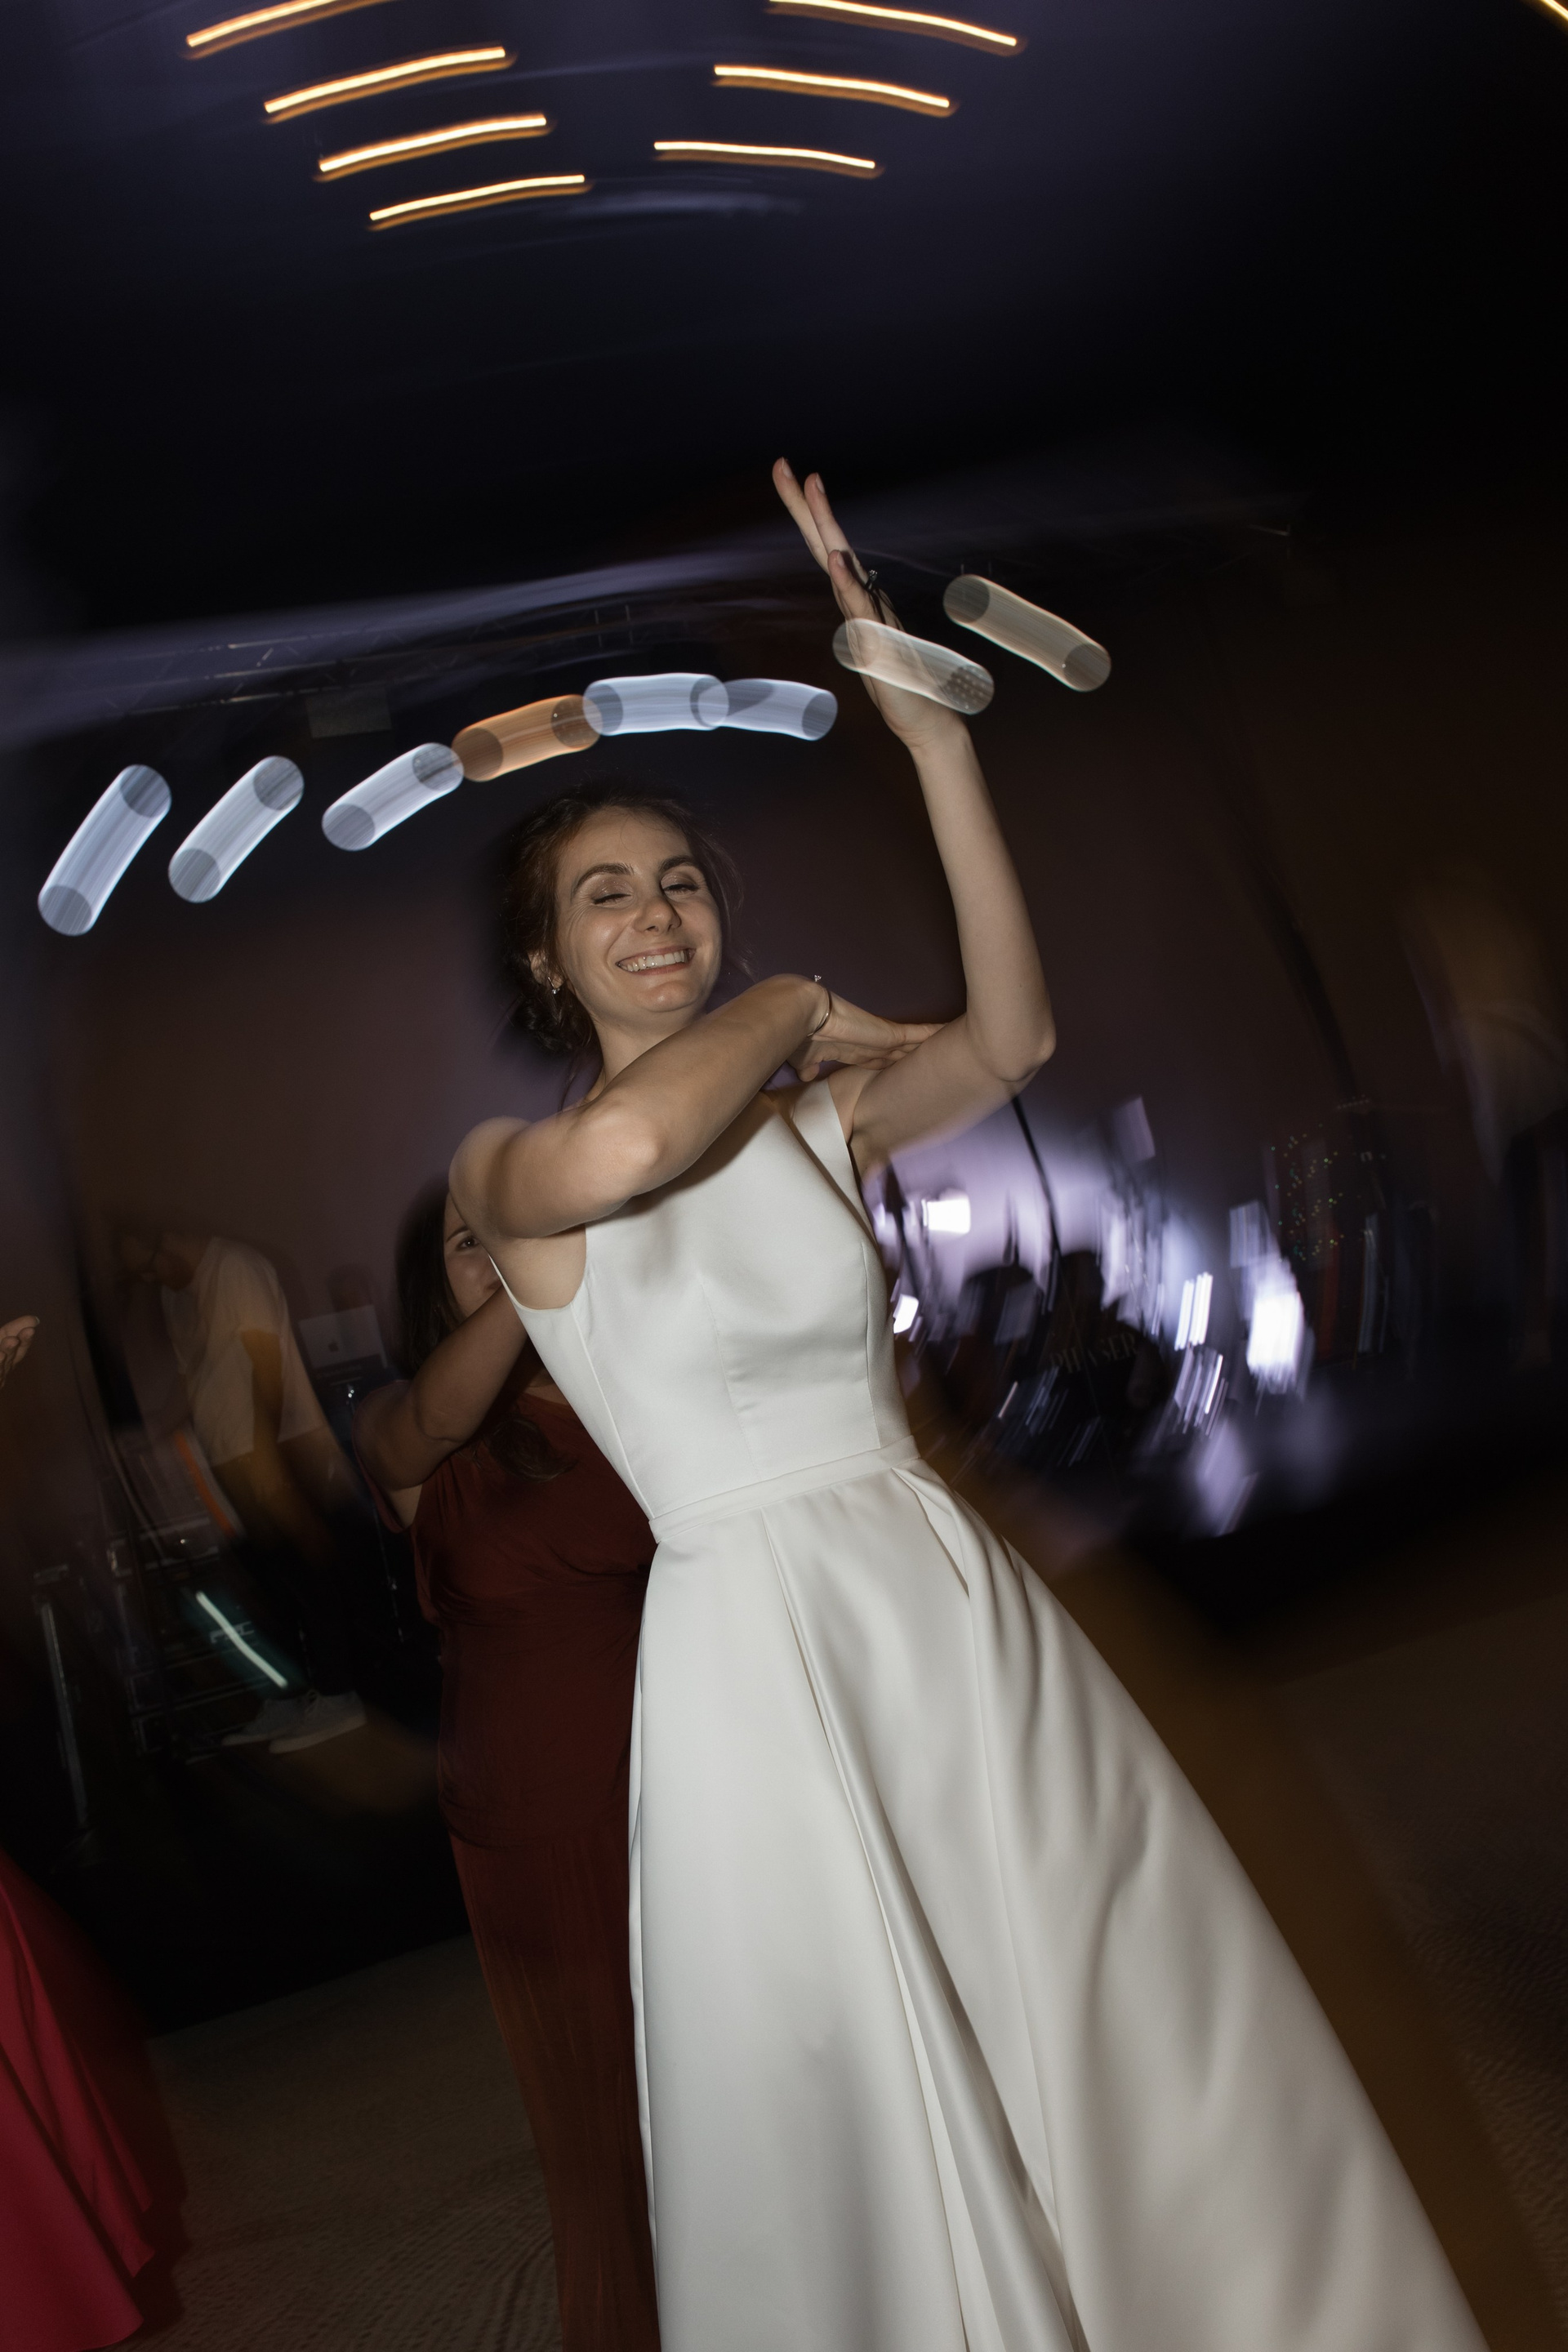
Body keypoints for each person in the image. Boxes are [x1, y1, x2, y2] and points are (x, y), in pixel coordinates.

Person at [451, 462, 1485, 2352]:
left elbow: (1012, 1037)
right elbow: (627, 1148)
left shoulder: (815, 1128)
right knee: (854, 2070)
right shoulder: (509, 1167)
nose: (657, 914)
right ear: (545, 957)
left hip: (937, 1601)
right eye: (606, 896)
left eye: (680, 883)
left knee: (1089, 1993)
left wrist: (936, 749)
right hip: (753, 1645)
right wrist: (788, 1002)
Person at [354, 1185, 658, 2352]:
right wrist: (541, 1274)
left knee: (727, 2070)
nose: (496, 1254)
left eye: (511, 1232)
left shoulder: (624, 1390)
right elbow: (431, 1418)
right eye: (467, 1243)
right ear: (428, 1283)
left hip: (682, 1771)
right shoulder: (405, 1425)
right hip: (534, 1806)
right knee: (602, 2118)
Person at [115, 1228, 365, 1753]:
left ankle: (340, 1697)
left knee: (308, 1571)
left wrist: (267, 1453)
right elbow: (195, 1381)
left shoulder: (234, 1268)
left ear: (166, 1240)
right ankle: (289, 1700)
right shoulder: (174, 1297)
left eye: (149, 1265)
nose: (150, 1279)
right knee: (268, 1581)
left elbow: (267, 1364)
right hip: (227, 1454)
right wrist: (152, 1433)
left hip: (273, 1446)